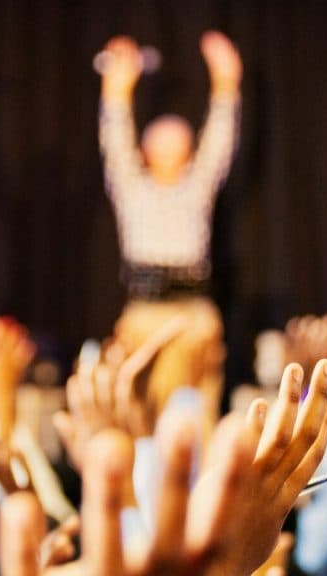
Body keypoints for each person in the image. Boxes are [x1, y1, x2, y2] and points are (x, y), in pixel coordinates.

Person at [97, 30, 242, 429]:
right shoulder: (133, 188)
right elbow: (115, 139)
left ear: (189, 150)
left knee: (195, 417)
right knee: (144, 414)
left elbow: (220, 143)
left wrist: (226, 82)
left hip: (193, 313)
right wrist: (116, 89)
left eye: (178, 143)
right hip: (145, 312)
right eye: (159, 143)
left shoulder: (196, 188)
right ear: (145, 151)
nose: (169, 149)